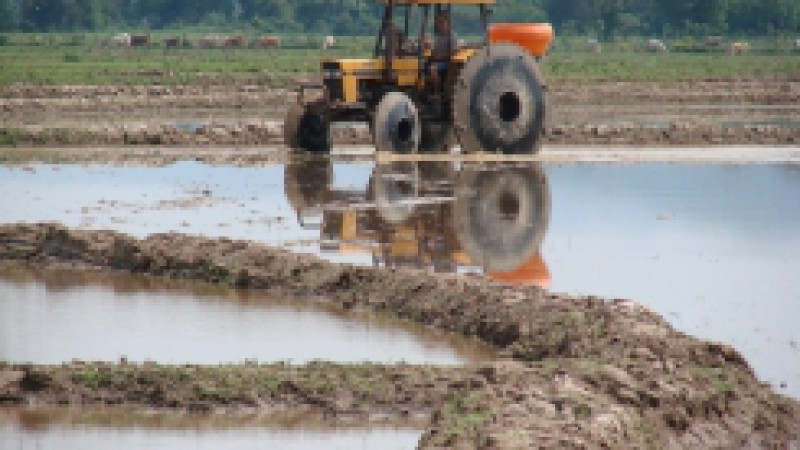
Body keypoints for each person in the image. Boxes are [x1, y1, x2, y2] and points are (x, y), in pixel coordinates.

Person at [428, 11, 458, 92]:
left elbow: (454, 51)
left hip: (447, 62)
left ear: (447, 24)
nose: (440, 25)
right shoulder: (437, 36)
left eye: (442, 22)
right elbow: (433, 49)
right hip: (436, 61)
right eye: (439, 23)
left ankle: (437, 92)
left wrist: (441, 56)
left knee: (433, 68)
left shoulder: (452, 36)